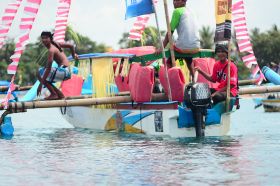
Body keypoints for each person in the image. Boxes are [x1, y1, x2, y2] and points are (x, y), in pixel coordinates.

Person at [156, 0, 200, 79]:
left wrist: (161, 48)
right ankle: (194, 79)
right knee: (188, 59)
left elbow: (170, 33)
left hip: (183, 47)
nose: (174, 2)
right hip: (196, 46)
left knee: (169, 60)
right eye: (173, 0)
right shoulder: (192, 11)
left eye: (177, 0)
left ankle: (171, 80)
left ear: (183, 2)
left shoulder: (177, 11)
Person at [37, 31, 78, 100]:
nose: (44, 40)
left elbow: (48, 68)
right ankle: (59, 94)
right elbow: (71, 46)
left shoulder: (51, 50)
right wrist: (73, 55)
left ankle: (54, 94)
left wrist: (40, 85)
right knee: (44, 75)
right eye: (42, 38)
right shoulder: (56, 44)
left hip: (65, 71)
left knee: (39, 73)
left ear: (50, 38)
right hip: (66, 71)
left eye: (46, 38)